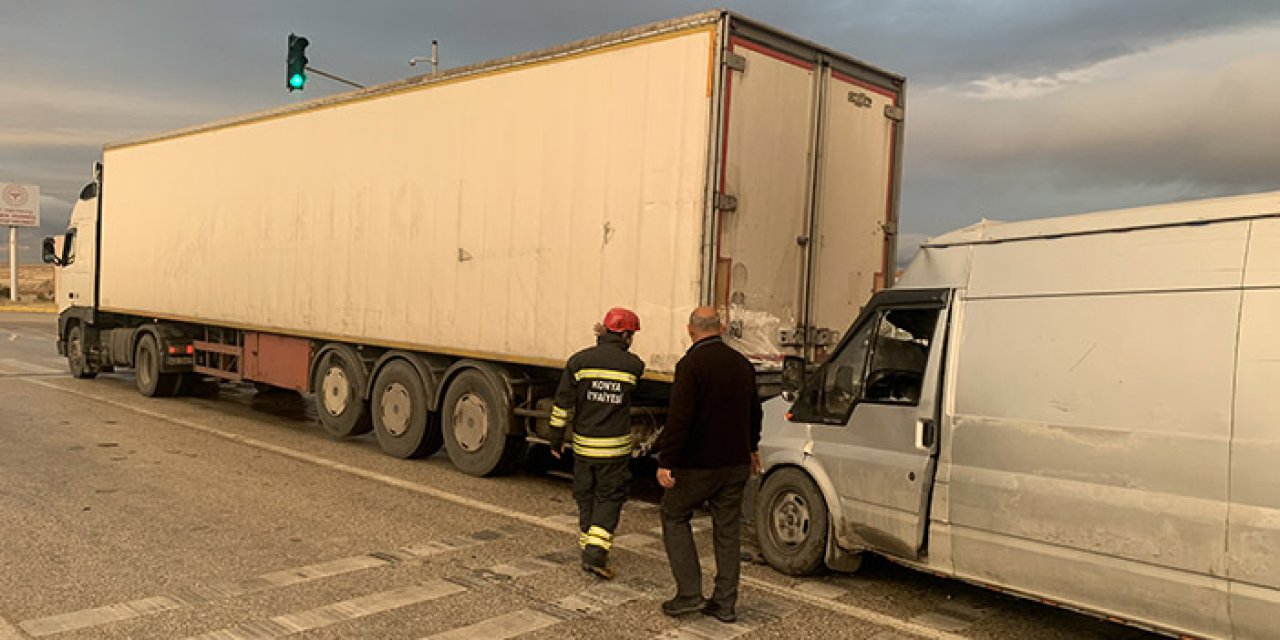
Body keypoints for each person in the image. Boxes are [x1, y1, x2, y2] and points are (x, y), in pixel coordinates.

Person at [655, 306, 762, 623]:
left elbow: (679, 419)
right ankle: (725, 604)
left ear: (691, 329)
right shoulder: (742, 364)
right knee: (727, 532)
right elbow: (755, 412)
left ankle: (689, 595)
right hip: (735, 464)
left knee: (673, 514)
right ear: (721, 328)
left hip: (699, 465)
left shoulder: (691, 365)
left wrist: (667, 461)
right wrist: (752, 447)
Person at [548, 307, 646, 580]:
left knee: (585, 494)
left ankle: (587, 544)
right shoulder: (633, 366)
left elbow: (562, 405)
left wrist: (556, 438)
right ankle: (595, 553)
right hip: (613, 451)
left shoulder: (578, 362)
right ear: (625, 334)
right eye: (632, 335)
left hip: (583, 447)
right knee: (610, 497)